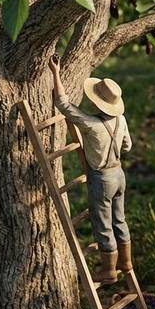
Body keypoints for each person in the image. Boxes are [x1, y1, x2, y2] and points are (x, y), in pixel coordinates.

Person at [48, 55, 132, 284]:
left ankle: (109, 270)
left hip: (102, 179)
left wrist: (56, 72)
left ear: (97, 103)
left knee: (103, 223)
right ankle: (125, 261)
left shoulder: (91, 125)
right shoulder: (121, 121)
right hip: (119, 175)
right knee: (119, 219)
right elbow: (128, 146)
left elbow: (63, 105)